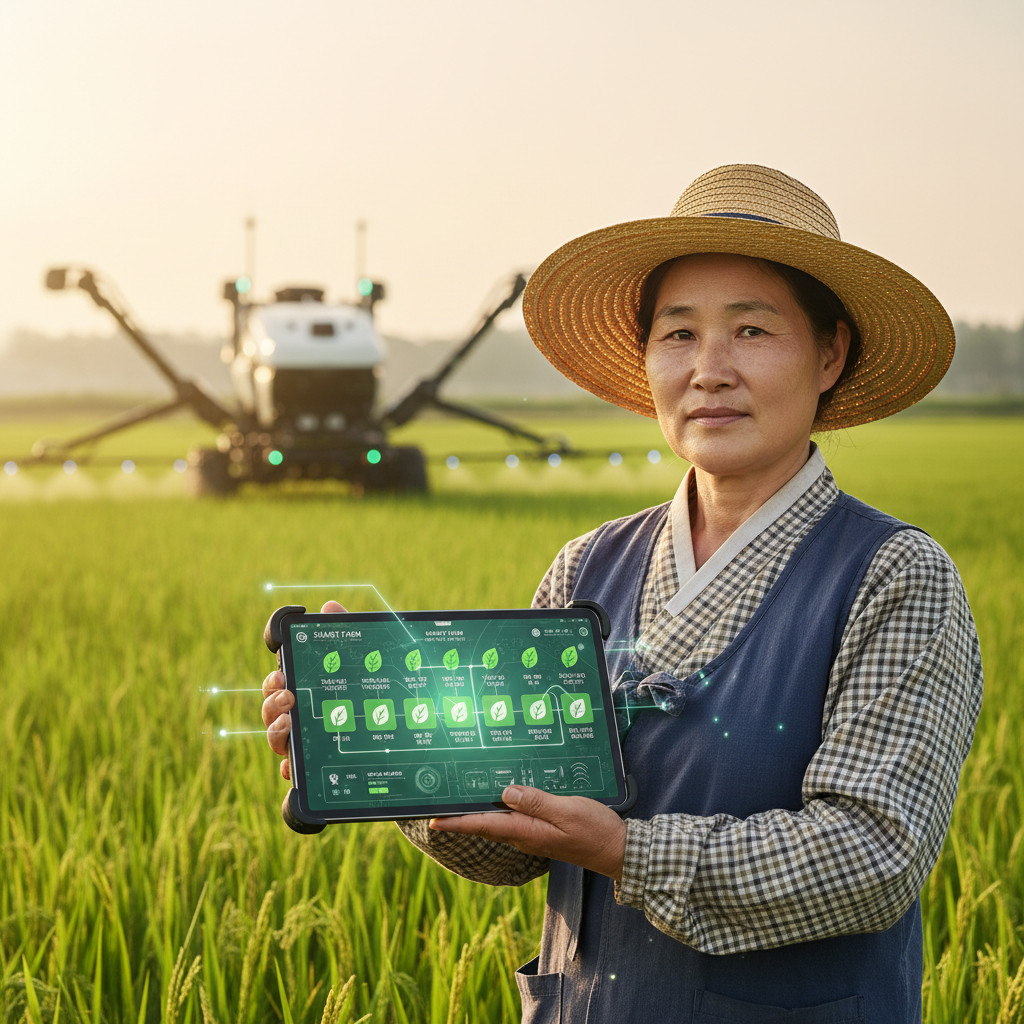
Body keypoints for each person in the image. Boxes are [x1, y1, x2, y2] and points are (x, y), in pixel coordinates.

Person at [262, 164, 983, 1023]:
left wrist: (627, 850)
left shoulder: (895, 576)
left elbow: (871, 859)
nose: (709, 371)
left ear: (829, 353)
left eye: (751, 330)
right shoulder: (586, 568)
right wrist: (393, 767)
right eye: (678, 336)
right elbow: (520, 845)